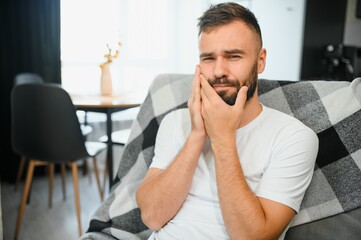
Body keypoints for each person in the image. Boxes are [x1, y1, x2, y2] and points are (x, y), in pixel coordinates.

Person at [136, 2, 318, 240]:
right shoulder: (176, 122)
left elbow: (253, 237)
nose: (219, 71)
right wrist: (197, 135)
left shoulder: (294, 137)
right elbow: (151, 216)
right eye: (208, 58)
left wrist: (222, 138)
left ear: (260, 61)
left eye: (233, 56)